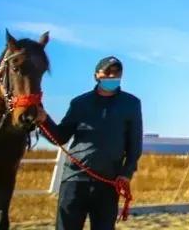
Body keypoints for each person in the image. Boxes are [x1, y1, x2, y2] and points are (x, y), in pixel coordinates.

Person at [37, 56, 142, 230]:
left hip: (109, 182)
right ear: (96, 75)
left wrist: (126, 173)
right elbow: (61, 137)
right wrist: (44, 120)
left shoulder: (131, 104)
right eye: (107, 72)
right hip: (75, 179)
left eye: (117, 73)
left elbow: (135, 144)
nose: (112, 76)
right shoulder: (80, 103)